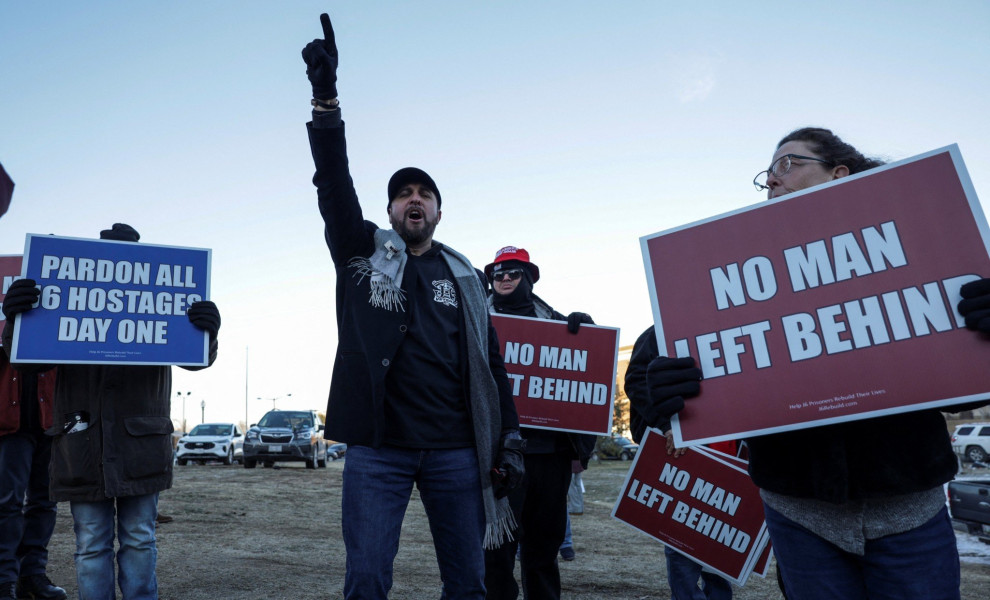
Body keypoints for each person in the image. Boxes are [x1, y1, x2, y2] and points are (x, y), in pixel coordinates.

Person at [639, 128, 990, 600]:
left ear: (839, 173)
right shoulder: (733, 269)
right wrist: (660, 390)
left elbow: (969, 389)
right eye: (767, 174)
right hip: (798, 515)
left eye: (787, 164)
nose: (772, 180)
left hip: (910, 510)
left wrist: (981, 336)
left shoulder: (911, 245)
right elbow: (656, 364)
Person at [301, 14, 523, 600]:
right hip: (379, 452)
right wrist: (326, 102)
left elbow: (490, 365)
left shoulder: (469, 278)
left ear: (439, 212)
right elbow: (333, 181)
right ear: (392, 210)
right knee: (369, 580)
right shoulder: (360, 253)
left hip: (456, 450)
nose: (414, 199)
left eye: (424, 193)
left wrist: (509, 439)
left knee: (468, 583)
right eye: (404, 193)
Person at [2, 223, 221, 600]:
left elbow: (196, 361)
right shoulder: (65, 301)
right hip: (82, 447)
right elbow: (23, 362)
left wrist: (207, 333)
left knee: (138, 539)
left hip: (140, 447)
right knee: (91, 543)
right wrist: (16, 322)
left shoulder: (164, 298)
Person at [481, 246, 597, 600]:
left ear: (529, 278)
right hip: (499, 458)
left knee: (543, 552)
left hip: (551, 458)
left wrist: (590, 338)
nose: (503, 279)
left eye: (512, 273)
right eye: (497, 274)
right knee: (496, 550)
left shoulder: (562, 327)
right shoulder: (473, 322)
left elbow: (589, 389)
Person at [625, 326, 733, 600]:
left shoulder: (733, 321)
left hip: (728, 451)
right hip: (681, 450)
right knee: (683, 535)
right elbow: (637, 381)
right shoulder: (659, 331)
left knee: (722, 536)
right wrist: (667, 425)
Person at [0, 343, 64, 600]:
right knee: (7, 503)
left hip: (50, 416)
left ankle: (32, 574)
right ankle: (5, 579)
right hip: (8, 419)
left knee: (45, 501)